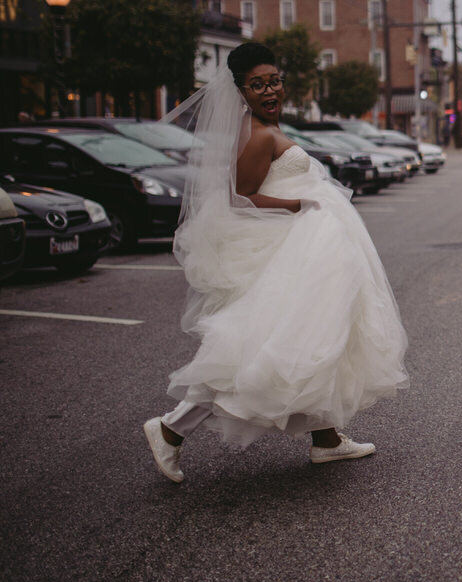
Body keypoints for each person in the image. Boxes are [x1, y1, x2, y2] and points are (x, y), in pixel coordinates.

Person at [143, 42, 409, 483]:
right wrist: (298, 206)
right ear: (241, 91)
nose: (269, 91)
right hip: (291, 249)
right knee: (265, 347)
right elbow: (238, 197)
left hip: (303, 249)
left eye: (274, 81)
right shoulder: (256, 133)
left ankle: (326, 440)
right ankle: (171, 429)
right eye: (257, 85)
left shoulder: (268, 125)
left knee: (314, 341)